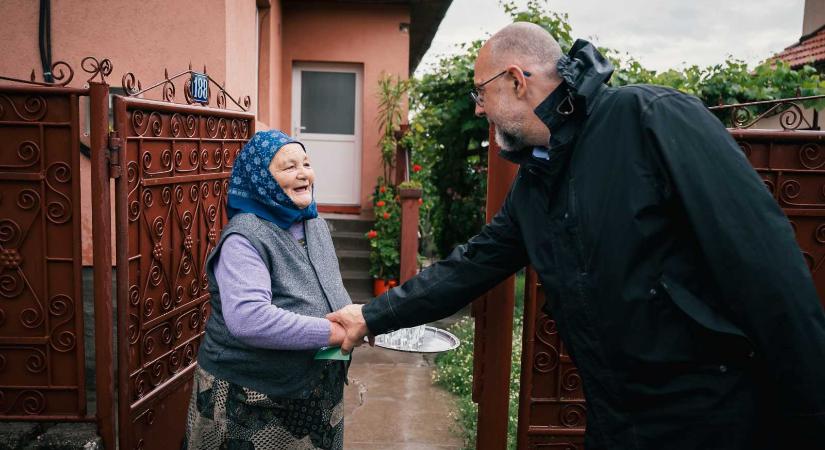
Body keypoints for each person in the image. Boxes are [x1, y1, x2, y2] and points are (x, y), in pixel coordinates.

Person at [328, 22, 825, 449]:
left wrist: (807, 422)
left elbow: (767, 269)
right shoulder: (535, 183)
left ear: (517, 81)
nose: (479, 109)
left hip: (711, 420)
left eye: (480, 94)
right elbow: (470, 265)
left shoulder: (651, 119)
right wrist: (372, 315)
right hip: (615, 423)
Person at [185, 130, 351, 450]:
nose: (303, 173)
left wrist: (358, 318)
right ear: (261, 179)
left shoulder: (312, 222)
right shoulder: (244, 238)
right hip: (252, 399)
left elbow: (325, 286)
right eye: (289, 168)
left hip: (315, 391)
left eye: (306, 163)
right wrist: (336, 333)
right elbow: (249, 319)